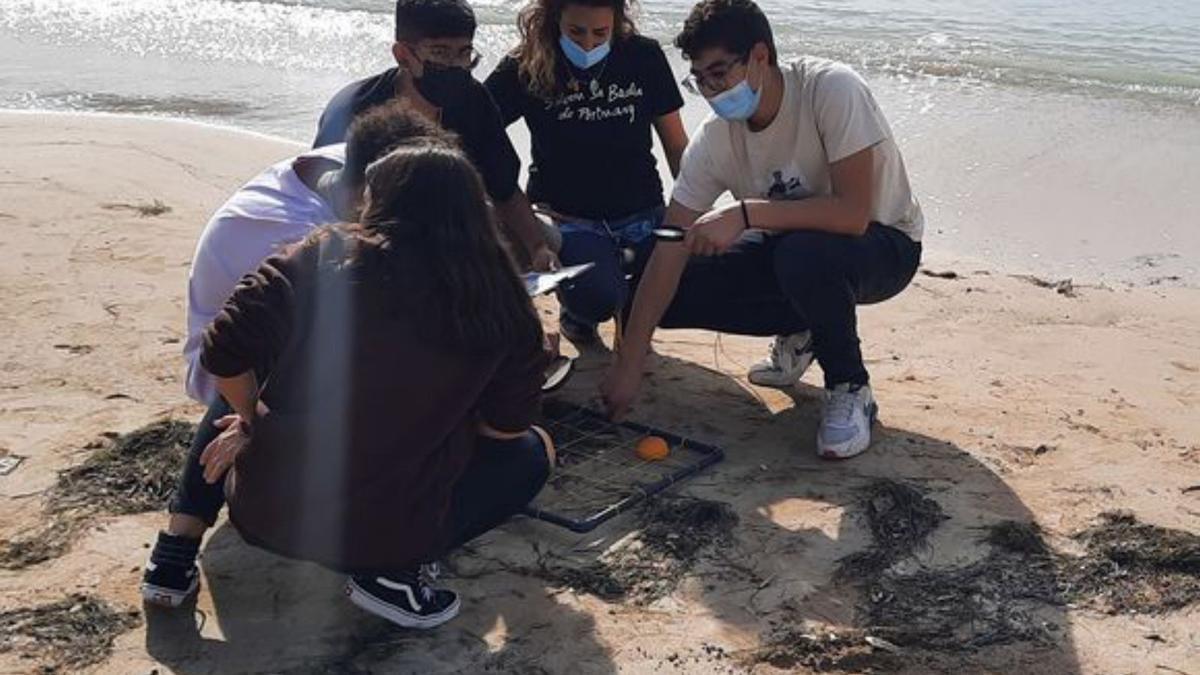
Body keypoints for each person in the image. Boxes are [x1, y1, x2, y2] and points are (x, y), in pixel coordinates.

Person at [197, 145, 553, 629]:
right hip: (385, 535)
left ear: (379, 202)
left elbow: (221, 351)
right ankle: (391, 573)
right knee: (535, 452)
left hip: (266, 513)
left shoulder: (320, 254)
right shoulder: (501, 299)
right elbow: (506, 430)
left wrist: (250, 420)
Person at [142, 102, 456, 608]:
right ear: (367, 192)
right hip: (239, 371)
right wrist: (252, 423)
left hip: (288, 349)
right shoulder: (290, 236)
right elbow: (231, 349)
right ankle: (178, 541)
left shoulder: (347, 162)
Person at [601, 0, 924, 460]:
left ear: (759, 57)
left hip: (883, 245)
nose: (712, 91)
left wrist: (746, 214)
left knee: (804, 256)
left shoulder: (830, 89)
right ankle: (805, 326)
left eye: (719, 73)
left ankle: (850, 386)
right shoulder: (716, 138)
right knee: (644, 288)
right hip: (787, 253)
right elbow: (671, 239)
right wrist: (629, 361)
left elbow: (853, 214)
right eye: (700, 80)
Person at [484, 0, 688, 344]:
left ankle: (631, 310)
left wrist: (687, 218)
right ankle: (578, 309)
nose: (588, 45)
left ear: (618, 20)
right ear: (554, 18)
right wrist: (510, 205)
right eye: (576, 32)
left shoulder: (644, 56)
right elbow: (476, 133)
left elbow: (676, 145)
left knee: (681, 291)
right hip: (568, 219)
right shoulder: (526, 64)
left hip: (642, 213)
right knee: (598, 297)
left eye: (600, 33)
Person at [314, 0, 557, 272]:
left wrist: (538, 247)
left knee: (548, 236)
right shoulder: (354, 108)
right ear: (403, 55)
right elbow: (324, 193)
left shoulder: (474, 101)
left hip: (450, 226)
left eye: (464, 53)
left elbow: (504, 188)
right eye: (440, 52)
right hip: (371, 232)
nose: (455, 65)